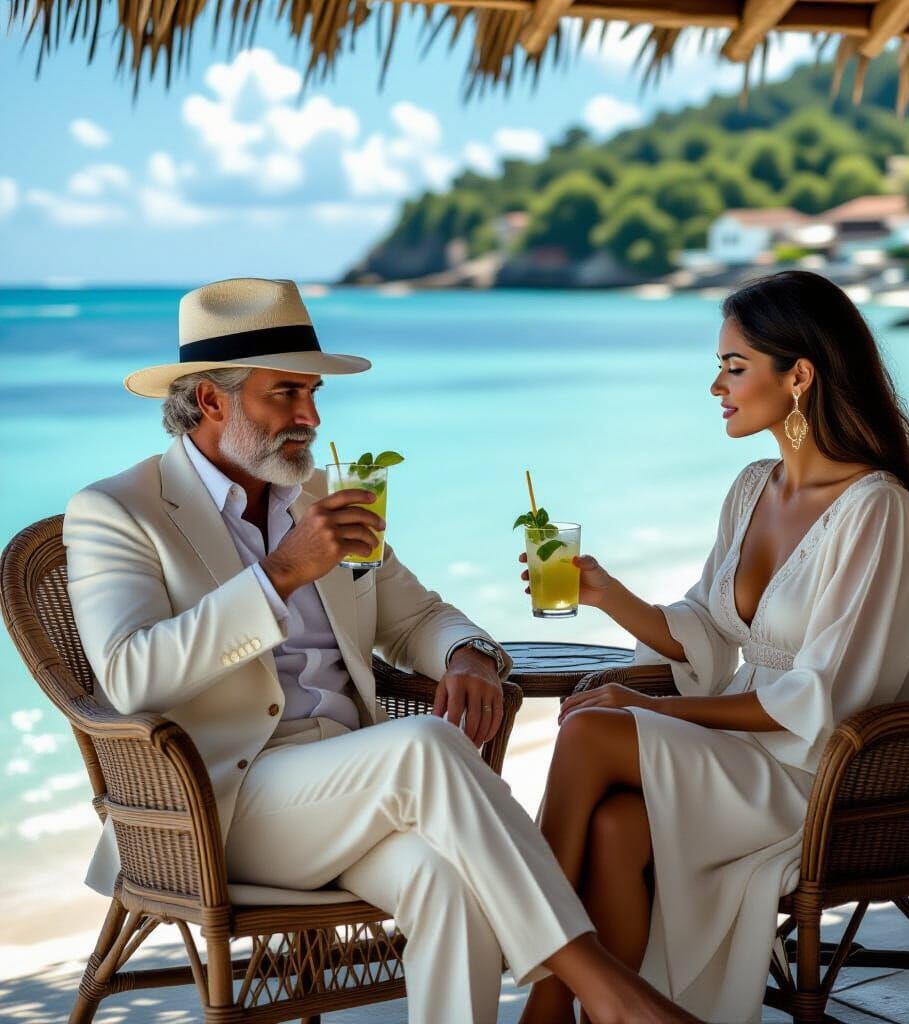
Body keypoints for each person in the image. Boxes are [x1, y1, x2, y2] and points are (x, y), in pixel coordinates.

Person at [64, 277, 701, 1024]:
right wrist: (282, 573)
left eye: (313, 394)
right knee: (425, 744)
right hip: (220, 808)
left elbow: (420, 616)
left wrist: (466, 655)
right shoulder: (118, 511)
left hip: (358, 788)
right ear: (210, 401)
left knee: (451, 884)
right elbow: (133, 676)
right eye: (285, 395)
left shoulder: (317, 499)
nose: (310, 416)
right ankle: (599, 987)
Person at [517, 270, 909, 1024]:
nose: (717, 386)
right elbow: (710, 638)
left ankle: (547, 997)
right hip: (745, 754)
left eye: (735, 367)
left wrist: (654, 710)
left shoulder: (876, 509)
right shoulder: (752, 488)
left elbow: (827, 696)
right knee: (614, 828)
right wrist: (605, 591)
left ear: (799, 376)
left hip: (816, 769)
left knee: (588, 725)